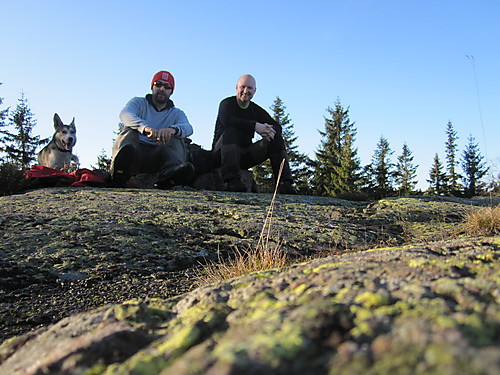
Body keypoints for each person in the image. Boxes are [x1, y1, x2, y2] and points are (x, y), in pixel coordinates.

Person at [196, 74, 297, 193]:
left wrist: (268, 131)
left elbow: (277, 126)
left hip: (244, 156)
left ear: (255, 90)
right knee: (231, 130)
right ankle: (231, 180)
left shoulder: (255, 109)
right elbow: (228, 120)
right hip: (222, 154)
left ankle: (284, 183)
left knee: (275, 137)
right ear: (236, 88)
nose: (245, 91)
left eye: (249, 88)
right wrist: (255, 126)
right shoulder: (226, 104)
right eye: (242, 87)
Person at [110, 70, 194, 188]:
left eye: (167, 86)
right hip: (135, 153)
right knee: (129, 129)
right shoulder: (138, 103)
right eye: (158, 84)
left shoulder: (177, 113)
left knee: (177, 137)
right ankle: (120, 170)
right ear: (152, 87)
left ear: (171, 91)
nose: (162, 89)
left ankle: (170, 174)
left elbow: (188, 128)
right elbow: (125, 114)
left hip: (157, 156)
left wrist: (172, 129)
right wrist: (144, 128)